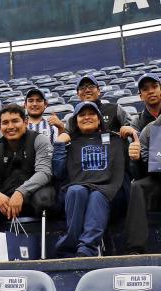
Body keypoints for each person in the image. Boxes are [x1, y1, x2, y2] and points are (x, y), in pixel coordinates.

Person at [0, 104, 56, 262]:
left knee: (46, 197)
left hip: (32, 196)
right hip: (6, 201)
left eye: (15, 121)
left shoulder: (39, 140)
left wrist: (21, 192)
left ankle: (48, 253)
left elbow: (44, 172)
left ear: (25, 122)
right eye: (5, 122)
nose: (10, 126)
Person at [53, 102, 126, 257]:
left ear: (99, 120)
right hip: (78, 187)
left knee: (98, 195)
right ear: (75, 121)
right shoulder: (69, 141)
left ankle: (87, 249)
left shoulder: (115, 139)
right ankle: (70, 244)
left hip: (108, 190)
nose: (87, 117)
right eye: (82, 114)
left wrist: (134, 136)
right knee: (76, 190)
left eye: (92, 114)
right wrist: (59, 144)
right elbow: (58, 173)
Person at [125, 113, 161, 254]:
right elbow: (138, 174)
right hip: (157, 180)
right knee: (137, 186)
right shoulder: (149, 129)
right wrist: (137, 158)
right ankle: (135, 249)